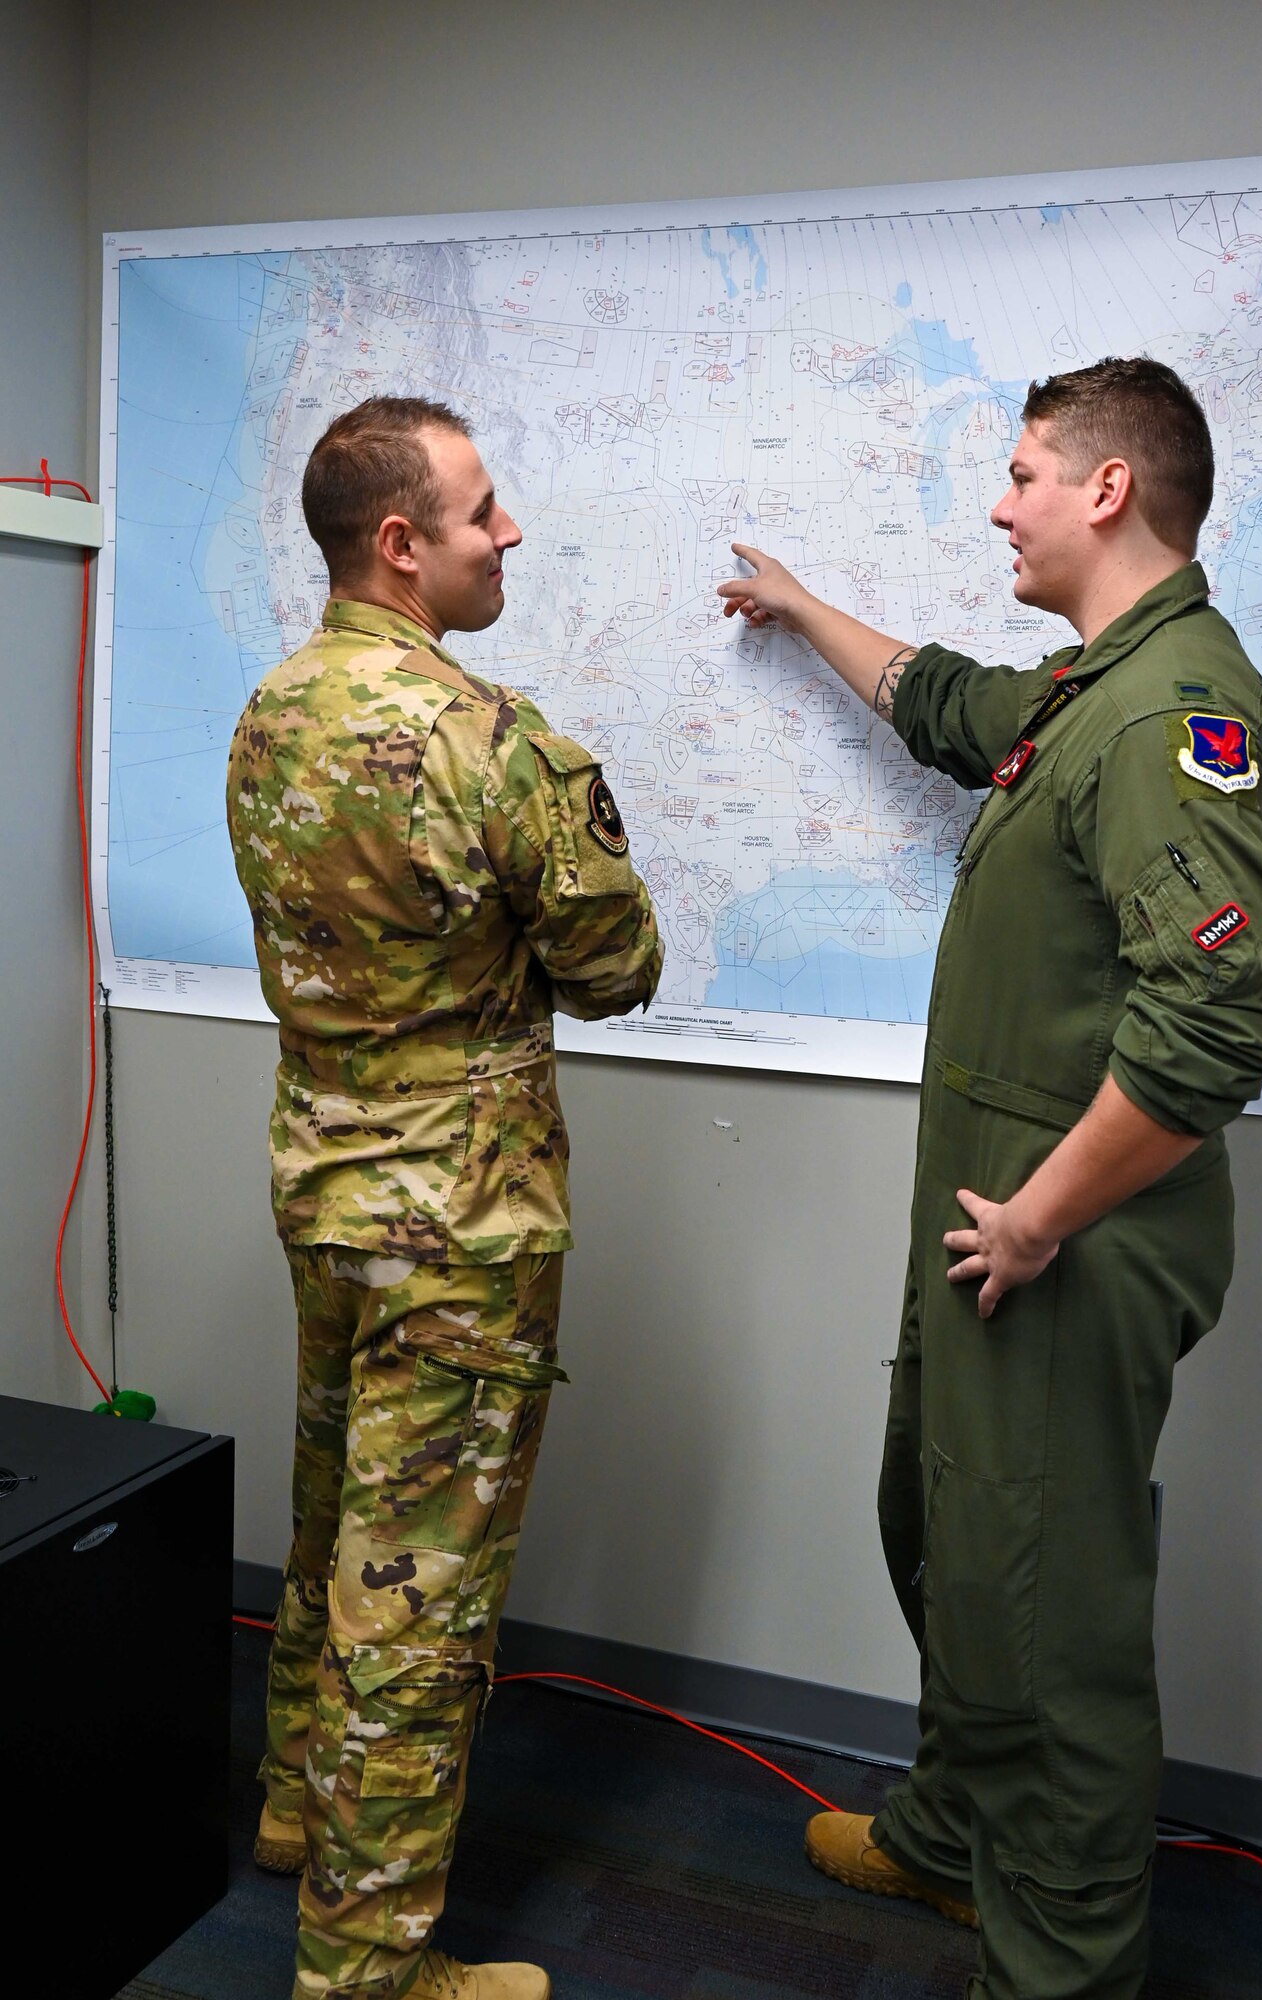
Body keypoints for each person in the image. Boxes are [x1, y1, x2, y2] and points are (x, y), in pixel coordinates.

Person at [718, 357, 1262, 2000]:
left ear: (1106, 491)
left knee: (1052, 1623)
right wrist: (802, 606)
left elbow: (1219, 1010)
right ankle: (956, 1837)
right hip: (1000, 1231)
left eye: (1024, 470)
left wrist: (1045, 1215)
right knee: (950, 1540)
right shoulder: (1081, 690)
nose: (998, 498)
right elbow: (946, 702)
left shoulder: (1182, 714)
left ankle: (1059, 1966)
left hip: (1067, 1242)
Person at [226, 396, 662, 2000]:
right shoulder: (491, 741)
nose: (512, 532)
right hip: (460, 1231)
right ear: (399, 542)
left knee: (333, 1515)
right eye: (485, 509)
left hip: (324, 1190)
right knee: (415, 1590)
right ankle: (367, 1968)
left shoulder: (271, 712)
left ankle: (295, 1809)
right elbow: (618, 965)